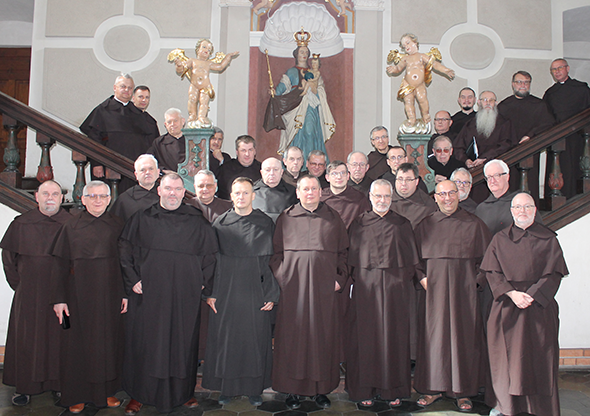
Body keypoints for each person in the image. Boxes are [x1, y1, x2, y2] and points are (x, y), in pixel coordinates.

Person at [119, 173, 217, 414]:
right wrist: (133, 280)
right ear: (159, 190)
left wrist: (203, 283)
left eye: (177, 189)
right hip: (148, 295)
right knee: (145, 343)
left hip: (184, 295)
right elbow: (124, 249)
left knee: (182, 343)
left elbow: (210, 256)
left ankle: (183, 393)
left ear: (184, 193)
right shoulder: (141, 218)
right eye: (168, 188)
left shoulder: (197, 221)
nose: (172, 193)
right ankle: (140, 394)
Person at [482, 193, 568, 416]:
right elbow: (492, 272)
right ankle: (504, 406)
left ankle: (540, 408)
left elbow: (554, 274)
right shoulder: (499, 239)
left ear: (534, 210)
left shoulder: (549, 239)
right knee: (504, 361)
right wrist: (512, 294)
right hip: (506, 306)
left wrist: (531, 295)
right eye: (518, 207)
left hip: (539, 307)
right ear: (511, 211)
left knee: (540, 359)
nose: (522, 211)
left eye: (527, 207)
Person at [271, 175, 349, 410]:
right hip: (293, 292)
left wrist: (339, 279)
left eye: (314, 189)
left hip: (324, 292)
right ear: (298, 192)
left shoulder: (333, 218)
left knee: (321, 338)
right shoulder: (286, 218)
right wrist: (285, 278)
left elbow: (344, 253)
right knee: (293, 339)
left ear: (320, 191)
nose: (310, 193)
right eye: (305, 189)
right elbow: (276, 255)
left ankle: (320, 390)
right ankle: (292, 390)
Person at [413, 180, 491, 412]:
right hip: (433, 294)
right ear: (435, 197)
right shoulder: (425, 225)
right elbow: (413, 259)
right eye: (442, 194)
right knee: (433, 339)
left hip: (464, 296)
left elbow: (488, 261)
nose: (447, 198)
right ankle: (432, 389)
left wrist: (474, 283)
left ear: (459, 195)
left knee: (462, 340)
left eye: (451, 193)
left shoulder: (474, 224)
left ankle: (462, 392)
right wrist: (421, 278)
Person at [50, 181, 126, 414]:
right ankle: (77, 394)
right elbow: (59, 264)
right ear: (83, 199)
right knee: (77, 346)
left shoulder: (118, 224)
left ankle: (106, 392)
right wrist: (59, 299)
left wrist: (125, 293)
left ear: (109, 199)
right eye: (92, 196)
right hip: (77, 294)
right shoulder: (70, 226)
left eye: (102, 196)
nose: (98, 200)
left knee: (108, 343)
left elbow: (126, 261)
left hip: (111, 294)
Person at [203, 178, 279, 406]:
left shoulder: (265, 223)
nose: (241, 197)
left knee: (255, 340)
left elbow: (271, 261)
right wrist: (211, 292)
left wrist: (271, 293)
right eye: (237, 193)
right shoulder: (220, 224)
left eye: (246, 193)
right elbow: (213, 261)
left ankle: (254, 388)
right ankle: (228, 388)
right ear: (231, 196)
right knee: (228, 341)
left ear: (253, 195)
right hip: (227, 291)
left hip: (256, 290)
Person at [345, 179, 419, 408]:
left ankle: (392, 389)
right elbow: (350, 262)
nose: (382, 200)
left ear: (392, 197)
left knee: (394, 339)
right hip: (366, 291)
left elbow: (411, 262)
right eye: (378, 196)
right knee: (364, 339)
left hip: (395, 292)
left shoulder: (402, 224)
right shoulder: (358, 224)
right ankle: (364, 389)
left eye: (386, 196)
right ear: (370, 196)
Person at [0, 181, 71, 406]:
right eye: (45, 193)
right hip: (29, 294)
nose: (50, 197)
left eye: (55, 194)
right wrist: (20, 285)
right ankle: (25, 387)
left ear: (62, 198)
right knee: (26, 340)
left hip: (63, 296)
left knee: (62, 339)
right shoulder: (21, 223)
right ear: (36, 196)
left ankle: (60, 386)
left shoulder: (72, 224)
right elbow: (8, 258)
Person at [80, 74, 160, 192]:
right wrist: (97, 163)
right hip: (109, 167)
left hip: (132, 169)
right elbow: (94, 139)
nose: (126, 90)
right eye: (123, 86)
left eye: (130, 88)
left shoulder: (139, 114)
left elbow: (151, 139)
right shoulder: (102, 110)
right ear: (115, 88)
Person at [263, 35, 335, 161]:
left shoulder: (314, 72)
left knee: (310, 132)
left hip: (310, 106)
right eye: (302, 52)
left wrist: (313, 89)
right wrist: (275, 92)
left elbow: (320, 89)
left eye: (306, 52)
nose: (304, 55)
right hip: (294, 105)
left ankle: (311, 162)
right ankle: (295, 163)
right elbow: (282, 87)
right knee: (295, 135)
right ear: (296, 54)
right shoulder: (291, 72)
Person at [498, 71, 555, 202]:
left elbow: (547, 124)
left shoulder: (539, 105)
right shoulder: (504, 106)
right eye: (519, 82)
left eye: (526, 82)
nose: (523, 85)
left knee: (530, 186)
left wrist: (530, 135)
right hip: (509, 153)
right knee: (509, 187)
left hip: (530, 151)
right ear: (513, 84)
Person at [386, 33, 455, 129]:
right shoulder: (405, 58)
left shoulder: (422, 56)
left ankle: (425, 115)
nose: (406, 47)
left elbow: (435, 64)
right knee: (408, 101)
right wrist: (394, 69)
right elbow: (399, 68)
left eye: (408, 43)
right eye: (404, 46)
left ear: (415, 42)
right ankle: (411, 119)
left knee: (422, 99)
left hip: (420, 84)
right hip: (407, 84)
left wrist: (446, 70)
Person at [543, 58, 590, 199]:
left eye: (560, 68)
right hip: (558, 139)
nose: (557, 72)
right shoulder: (550, 93)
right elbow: (546, 117)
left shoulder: (582, 89)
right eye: (554, 69)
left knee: (576, 169)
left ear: (567, 69)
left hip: (578, 138)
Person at [174, 39, 239, 128]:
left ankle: (201, 117)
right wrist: (178, 65)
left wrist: (228, 57)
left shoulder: (209, 63)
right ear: (198, 49)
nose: (206, 51)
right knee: (192, 100)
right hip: (194, 85)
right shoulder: (192, 61)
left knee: (204, 102)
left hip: (205, 86)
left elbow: (220, 66)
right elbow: (182, 70)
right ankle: (192, 115)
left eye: (209, 50)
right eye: (204, 47)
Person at [454, 91, 515, 170]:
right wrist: (466, 160)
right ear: (479, 102)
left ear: (496, 103)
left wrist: (486, 157)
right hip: (474, 169)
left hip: (495, 167)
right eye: (485, 100)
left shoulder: (504, 123)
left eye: (491, 100)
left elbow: (506, 145)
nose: (488, 103)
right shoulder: (470, 124)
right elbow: (458, 146)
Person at [110, 154, 161, 222]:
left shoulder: (167, 194)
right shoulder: (124, 199)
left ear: (158, 172)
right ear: (136, 175)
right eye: (142, 170)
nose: (147, 172)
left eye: (151, 169)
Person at [321, 161, 371, 229]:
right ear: (327, 177)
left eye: (343, 173)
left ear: (348, 176)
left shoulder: (359, 198)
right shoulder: (320, 197)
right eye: (334, 173)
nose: (339, 177)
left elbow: (366, 225)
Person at [388, 163, 435, 227]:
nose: (403, 183)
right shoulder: (386, 200)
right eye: (400, 179)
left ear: (416, 181)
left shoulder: (428, 204)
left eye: (408, 179)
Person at [252, 157, 297, 222]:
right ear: (261, 172)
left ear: (281, 172)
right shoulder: (251, 191)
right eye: (267, 170)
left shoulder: (292, 191)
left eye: (275, 169)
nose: (272, 173)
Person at [217, 135, 262, 200]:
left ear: (255, 151)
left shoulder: (262, 169)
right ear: (237, 152)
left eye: (250, 150)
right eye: (243, 150)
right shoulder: (225, 169)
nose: (247, 154)